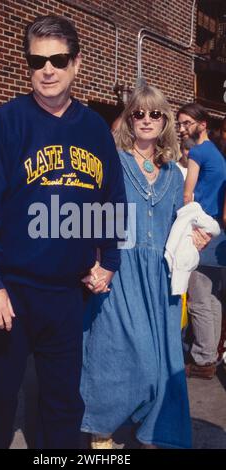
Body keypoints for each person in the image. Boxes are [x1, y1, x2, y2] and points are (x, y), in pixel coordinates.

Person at [0, 14, 126, 449]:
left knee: (62, 403)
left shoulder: (93, 129)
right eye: (37, 60)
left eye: (58, 59)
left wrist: (108, 261)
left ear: (76, 64)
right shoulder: (4, 124)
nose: (47, 69)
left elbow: (110, 200)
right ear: (28, 65)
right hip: (8, 290)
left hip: (67, 295)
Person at [80, 84, 210, 450]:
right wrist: (92, 262)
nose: (147, 120)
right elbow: (93, 215)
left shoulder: (175, 172)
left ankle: (155, 434)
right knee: (117, 354)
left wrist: (196, 237)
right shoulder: (112, 161)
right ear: (129, 120)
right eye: (139, 113)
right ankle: (101, 433)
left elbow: (178, 226)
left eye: (156, 114)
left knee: (162, 363)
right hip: (118, 271)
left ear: (167, 121)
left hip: (161, 279)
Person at [177, 103, 226, 379]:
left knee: (198, 299)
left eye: (187, 123)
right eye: (180, 123)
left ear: (202, 124)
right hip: (219, 234)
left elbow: (187, 194)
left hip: (201, 233)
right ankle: (211, 355)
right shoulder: (218, 155)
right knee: (212, 298)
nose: (182, 128)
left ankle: (203, 358)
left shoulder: (197, 152)